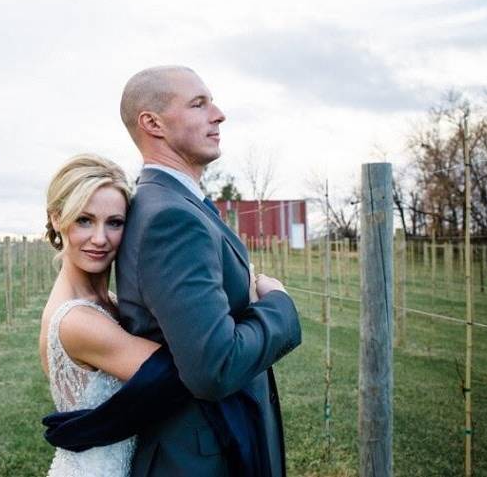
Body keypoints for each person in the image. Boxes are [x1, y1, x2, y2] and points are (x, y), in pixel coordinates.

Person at [43, 66, 301, 476]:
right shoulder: (168, 218)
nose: (218, 114)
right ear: (152, 123)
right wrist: (276, 305)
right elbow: (207, 367)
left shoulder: (158, 219)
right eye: (199, 103)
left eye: (113, 223)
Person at [39, 153, 159, 476]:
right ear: (56, 219)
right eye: (84, 220)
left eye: (114, 223)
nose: (100, 238)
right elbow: (185, 367)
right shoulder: (77, 320)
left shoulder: (106, 302)